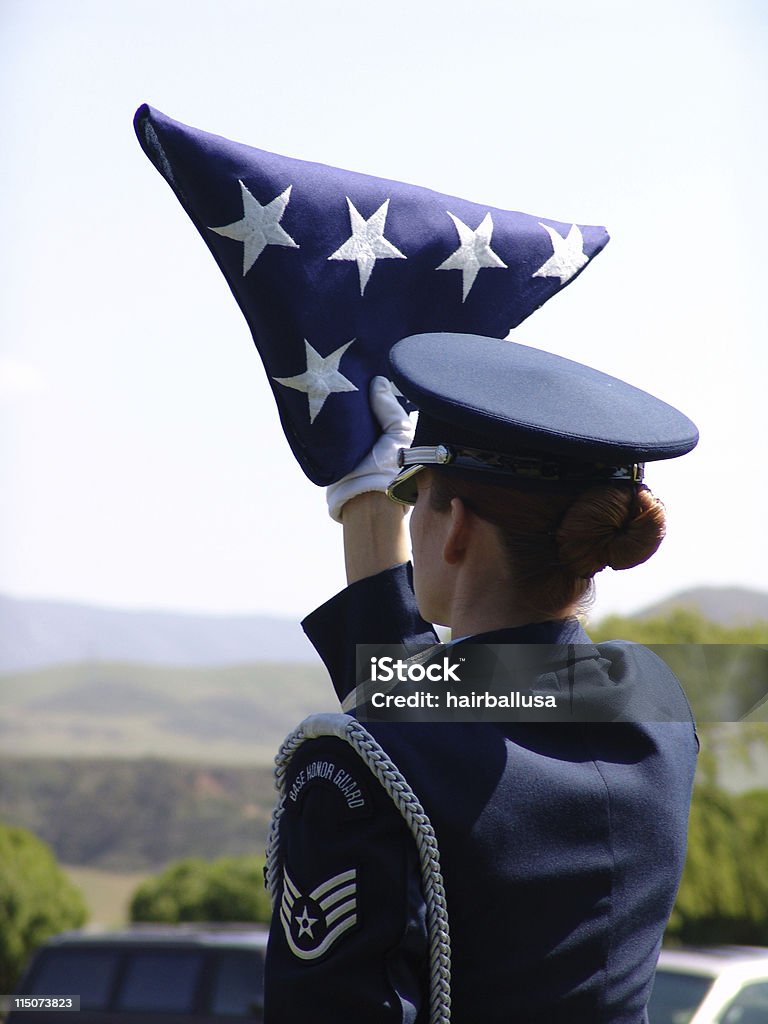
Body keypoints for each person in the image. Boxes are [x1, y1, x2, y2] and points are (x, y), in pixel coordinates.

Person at [263, 332, 700, 1024]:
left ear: (457, 527)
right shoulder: (655, 699)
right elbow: (450, 710)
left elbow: (425, 729)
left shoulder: (358, 769)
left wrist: (368, 497)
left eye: (418, 492)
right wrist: (372, 509)